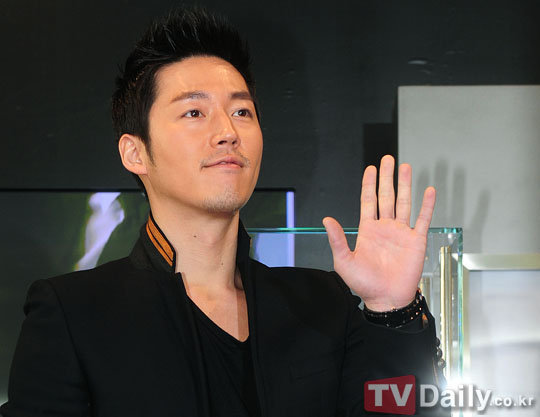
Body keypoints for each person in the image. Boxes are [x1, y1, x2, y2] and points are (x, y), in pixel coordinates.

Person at [1, 7, 445, 417]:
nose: (228, 132)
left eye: (242, 111)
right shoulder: (76, 315)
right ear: (135, 153)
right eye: (194, 112)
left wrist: (392, 310)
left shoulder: (322, 303)